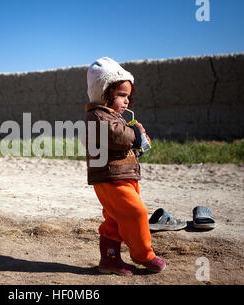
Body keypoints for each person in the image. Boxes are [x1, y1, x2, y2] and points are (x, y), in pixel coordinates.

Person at [85, 57, 166, 275]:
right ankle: (144, 255)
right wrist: (135, 134)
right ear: (103, 93)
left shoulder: (113, 117)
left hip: (123, 175)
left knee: (114, 220)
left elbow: (121, 143)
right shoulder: (97, 117)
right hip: (110, 178)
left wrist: (139, 143)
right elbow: (116, 136)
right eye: (121, 95)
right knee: (136, 212)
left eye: (128, 96)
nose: (127, 101)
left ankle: (110, 261)